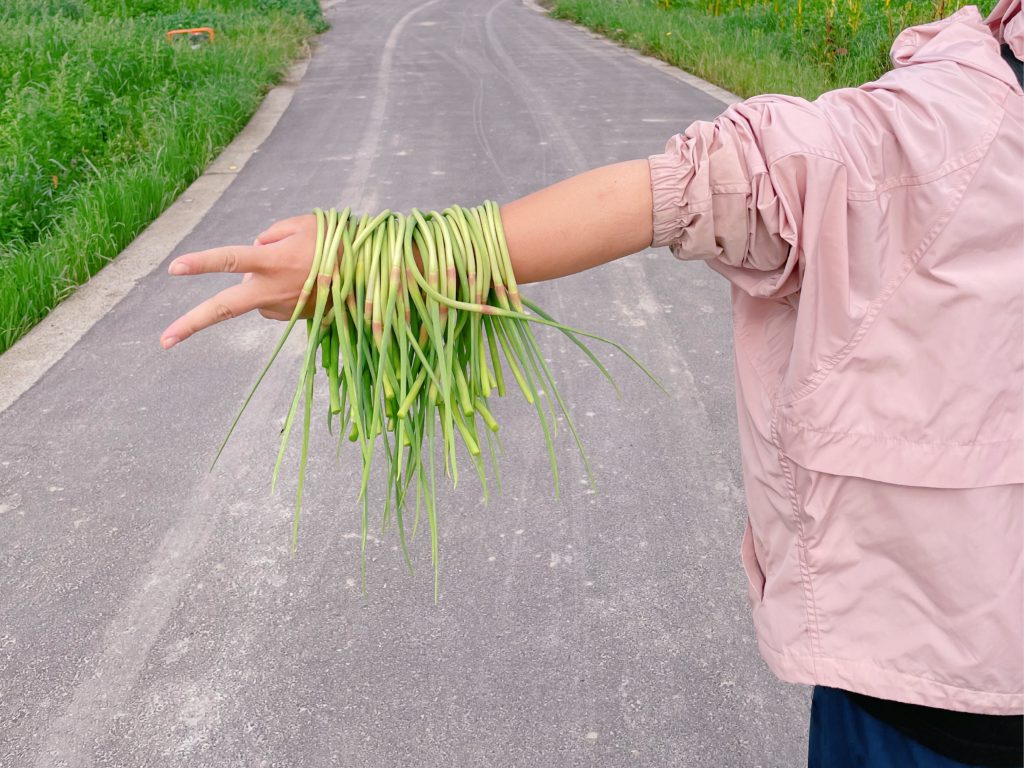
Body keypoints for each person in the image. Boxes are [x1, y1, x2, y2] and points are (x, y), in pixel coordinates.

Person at [160, 1, 1024, 765]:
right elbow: (687, 189)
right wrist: (387, 261)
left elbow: (706, 185)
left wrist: (378, 261)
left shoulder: (950, 122)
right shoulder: (943, 125)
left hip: (932, 699)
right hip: (941, 698)